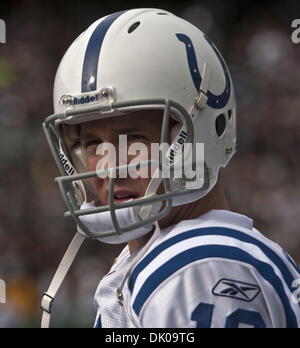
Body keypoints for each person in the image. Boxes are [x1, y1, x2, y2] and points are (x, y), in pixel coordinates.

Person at [41, 8, 300, 328]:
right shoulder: (150, 261)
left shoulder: (193, 267)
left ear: (203, 131)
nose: (110, 167)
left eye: (133, 138)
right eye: (93, 144)